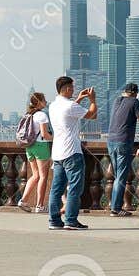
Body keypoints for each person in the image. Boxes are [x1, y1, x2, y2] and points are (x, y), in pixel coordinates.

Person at [47, 75, 96, 230]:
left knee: (56, 189)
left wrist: (79, 99)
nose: (74, 90)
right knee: (75, 188)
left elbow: (69, 113)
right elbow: (91, 115)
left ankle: (54, 221)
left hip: (58, 153)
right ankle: (71, 220)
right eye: (72, 88)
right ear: (67, 88)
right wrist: (93, 100)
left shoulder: (53, 105)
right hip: (72, 152)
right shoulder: (69, 106)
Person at [106, 83, 139, 217]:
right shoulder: (134, 102)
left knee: (117, 176)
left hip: (111, 141)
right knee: (121, 176)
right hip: (123, 141)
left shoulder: (117, 100)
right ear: (135, 93)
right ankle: (116, 208)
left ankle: (115, 206)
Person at [17, 91, 51, 214]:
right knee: (43, 176)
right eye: (44, 100)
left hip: (29, 146)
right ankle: (40, 206)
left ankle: (23, 200)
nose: (46, 102)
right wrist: (57, 138)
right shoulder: (42, 115)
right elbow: (44, 134)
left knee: (35, 175)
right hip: (40, 146)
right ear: (39, 102)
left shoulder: (28, 114)